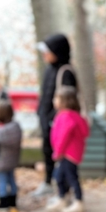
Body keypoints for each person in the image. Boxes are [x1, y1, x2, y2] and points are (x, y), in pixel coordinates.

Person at [35, 34, 77, 197]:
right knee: (48, 152)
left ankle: (63, 190)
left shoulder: (66, 72)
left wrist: (53, 119)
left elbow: (67, 100)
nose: (45, 54)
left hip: (60, 124)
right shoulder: (49, 70)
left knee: (63, 156)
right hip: (47, 122)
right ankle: (49, 183)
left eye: (48, 51)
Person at [48, 88, 90, 212]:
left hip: (67, 153)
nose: (54, 101)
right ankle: (63, 198)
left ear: (65, 101)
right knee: (60, 176)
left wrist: (58, 152)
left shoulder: (66, 116)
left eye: (56, 98)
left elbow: (63, 136)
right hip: (71, 153)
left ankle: (78, 201)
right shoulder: (74, 115)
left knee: (71, 177)